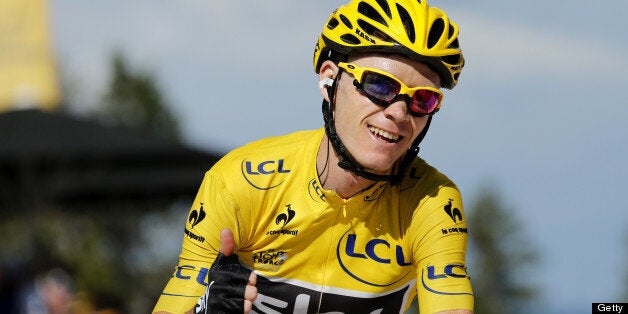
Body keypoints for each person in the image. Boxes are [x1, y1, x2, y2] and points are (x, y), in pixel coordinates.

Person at [153, 0, 473, 313]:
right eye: (379, 85)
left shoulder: (430, 202)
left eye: (423, 101)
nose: (399, 112)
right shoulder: (242, 181)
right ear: (329, 79)